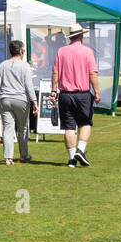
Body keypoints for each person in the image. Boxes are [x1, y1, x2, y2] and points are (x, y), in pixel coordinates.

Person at [51, 24, 100, 168]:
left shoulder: (61, 51)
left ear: (70, 37)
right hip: (82, 94)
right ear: (82, 36)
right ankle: (81, 150)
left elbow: (55, 72)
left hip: (65, 94)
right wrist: (96, 92)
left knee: (69, 127)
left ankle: (72, 159)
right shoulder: (87, 52)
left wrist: (53, 90)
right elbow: (92, 74)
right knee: (85, 123)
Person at [0, 40, 37, 165]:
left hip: (5, 99)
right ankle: (24, 155)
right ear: (21, 52)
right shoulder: (25, 66)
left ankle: (8, 157)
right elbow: (29, 85)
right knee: (22, 128)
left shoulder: (3, 65)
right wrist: (34, 101)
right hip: (21, 99)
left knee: (8, 128)